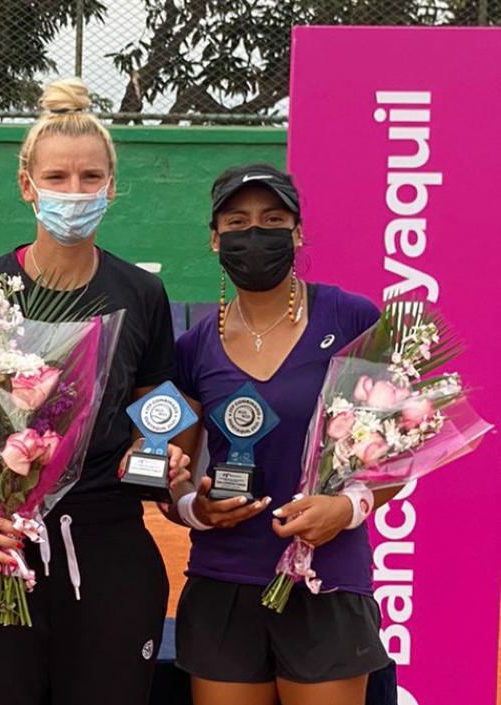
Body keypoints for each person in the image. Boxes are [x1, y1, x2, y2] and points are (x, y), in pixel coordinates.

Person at [0, 77, 188, 705]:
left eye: (90, 178)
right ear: (27, 185)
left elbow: (157, 418)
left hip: (107, 550)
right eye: (58, 178)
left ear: (111, 186)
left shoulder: (141, 294)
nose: (75, 193)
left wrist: (162, 454)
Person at [166, 163, 394, 705]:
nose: (255, 233)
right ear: (214, 238)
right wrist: (195, 508)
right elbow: (167, 468)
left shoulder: (353, 316)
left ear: (297, 233)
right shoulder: (194, 347)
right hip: (223, 582)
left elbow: (397, 458)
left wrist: (346, 510)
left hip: (327, 579)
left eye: (273, 219)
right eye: (238, 221)